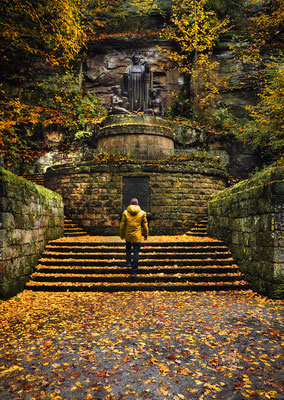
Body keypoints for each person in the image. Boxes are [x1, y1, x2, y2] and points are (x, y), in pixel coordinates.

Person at [119, 198, 149, 277]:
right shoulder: (142, 213)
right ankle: (133, 271)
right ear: (138, 204)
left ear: (130, 204)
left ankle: (128, 262)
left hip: (128, 235)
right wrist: (145, 235)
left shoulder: (125, 212)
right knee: (136, 253)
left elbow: (122, 225)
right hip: (137, 236)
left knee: (128, 249)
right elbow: (145, 226)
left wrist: (121, 235)